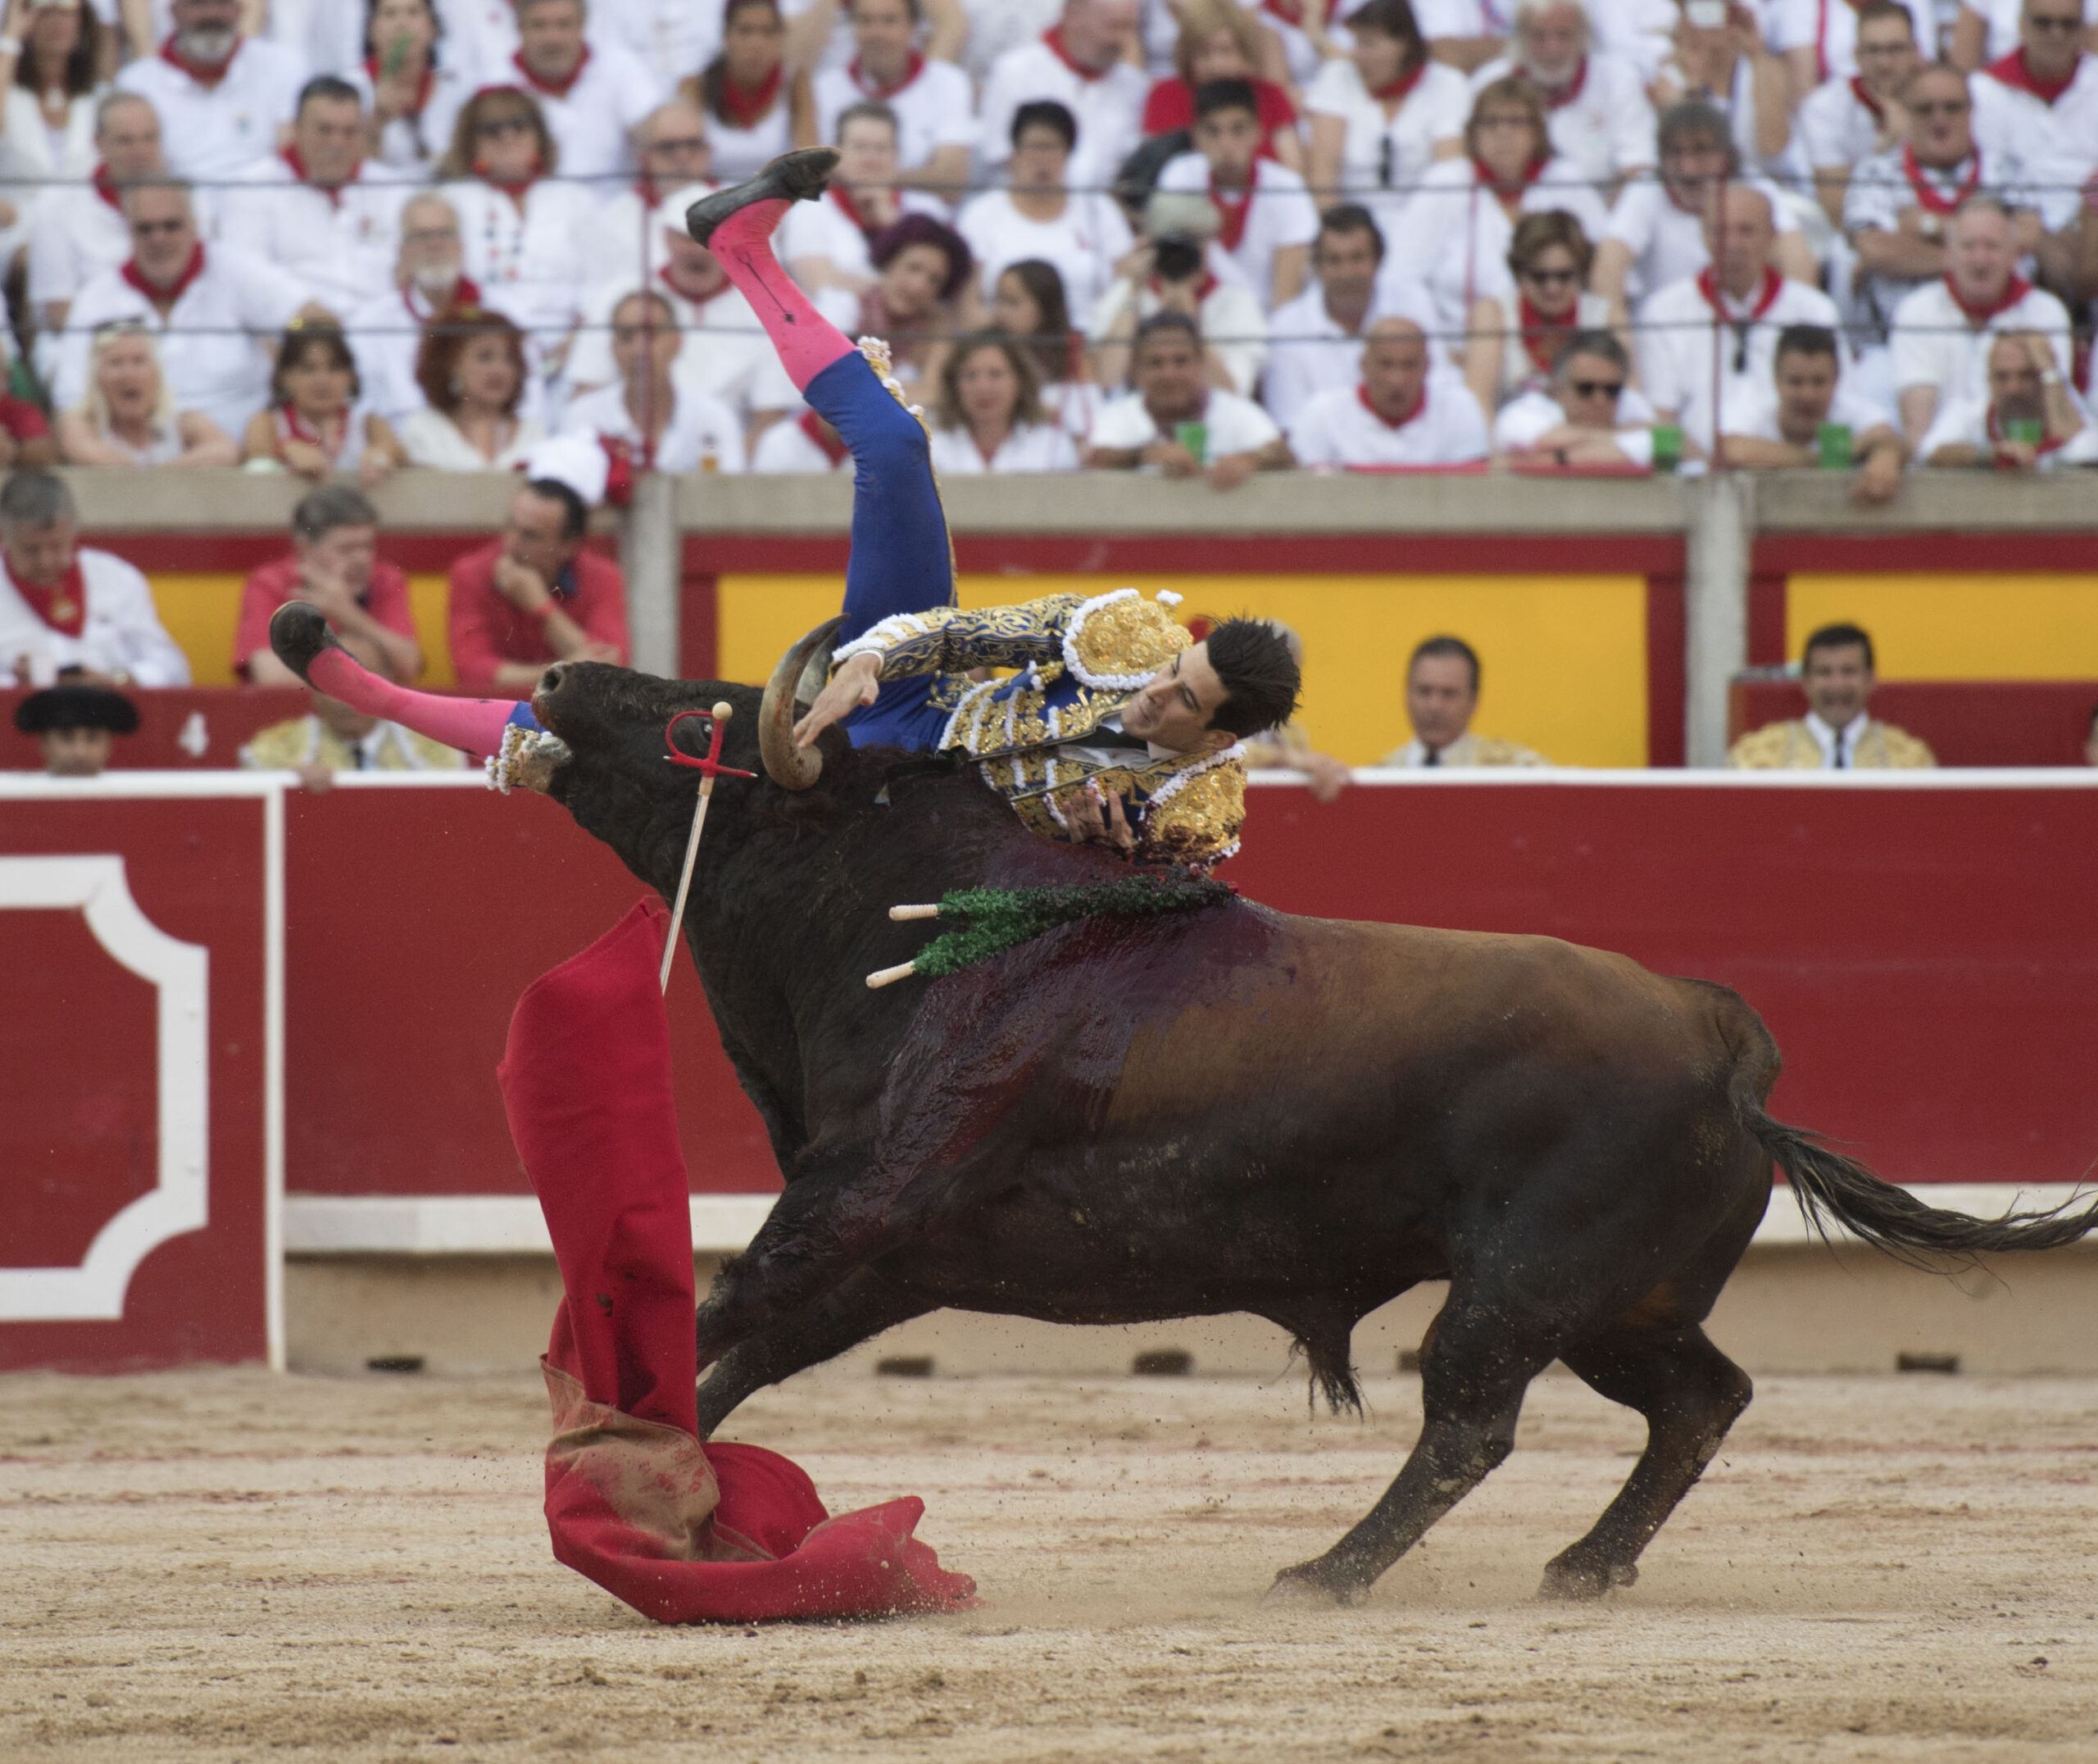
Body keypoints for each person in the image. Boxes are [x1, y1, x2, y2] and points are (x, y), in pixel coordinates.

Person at [689, 147, 1300, 867]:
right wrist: (877, 657)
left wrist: (1100, 865)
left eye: (1184, 702)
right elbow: (963, 636)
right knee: (892, 443)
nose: (1155, 691)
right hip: (910, 702)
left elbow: (1126, 959)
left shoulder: (1197, 815)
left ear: (1221, 741)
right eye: (1176, 669)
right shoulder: (1132, 634)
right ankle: (742, 248)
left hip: (924, 847)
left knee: (677, 739)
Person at [54, 179, 313, 445]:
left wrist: (286, 346)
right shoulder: (96, 299)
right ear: (127, 232)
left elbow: (311, 318)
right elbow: (71, 405)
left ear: (194, 227)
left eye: (171, 226)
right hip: (135, 467)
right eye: (145, 229)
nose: (159, 238)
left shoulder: (236, 270)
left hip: (245, 459)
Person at [1842, 62, 2048, 342]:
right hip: (1896, 342)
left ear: (1971, 111)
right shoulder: (1876, 171)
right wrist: (1981, 255)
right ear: (1908, 113)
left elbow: (2027, 236)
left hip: (2000, 341)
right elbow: (1876, 249)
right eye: (1926, 109)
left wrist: (1928, 226)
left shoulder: (2007, 169)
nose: (1939, 119)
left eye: (1952, 108)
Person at [1637, 184, 1844, 454]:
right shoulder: (1663, 311)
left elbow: (1838, 407)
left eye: (1746, 231)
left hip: (1794, 473)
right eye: (1720, 231)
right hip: (1697, 475)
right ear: (1703, 235)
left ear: (1772, 236)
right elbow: (1662, 421)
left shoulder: (1816, 310)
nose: (1732, 245)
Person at [1399, 78, 1610, 333]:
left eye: (1516, 122)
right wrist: (1438, 349)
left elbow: (1603, 274)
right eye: (1491, 123)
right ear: (1473, 133)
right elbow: (1403, 279)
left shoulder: (1567, 181)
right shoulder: (1445, 182)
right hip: (1454, 348)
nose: (1503, 133)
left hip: (1556, 347)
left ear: (1537, 132)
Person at [1593, 102, 1817, 311]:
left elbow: (1797, 259)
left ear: (1725, 155)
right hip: (1666, 330)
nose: (1687, 168)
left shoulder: (1753, 188)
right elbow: (1608, 264)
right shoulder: (1647, 189)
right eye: (1676, 153)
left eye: (1700, 151)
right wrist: (1615, 330)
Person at [1887, 195, 2072, 445]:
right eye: (1968, 246)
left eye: (1992, 246)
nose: (1980, 260)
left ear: (2013, 255)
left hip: (2029, 469)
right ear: (1948, 256)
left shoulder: (2047, 312)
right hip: (1942, 469)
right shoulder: (1916, 310)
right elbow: (1918, 432)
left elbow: (2060, 424)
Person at [220, 75, 412, 314]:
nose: (337, 143)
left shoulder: (394, 190)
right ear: (297, 130)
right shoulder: (251, 188)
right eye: (325, 130)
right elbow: (245, 282)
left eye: (349, 132)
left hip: (378, 336)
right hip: (296, 333)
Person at [435, 85, 597, 347]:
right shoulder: (450, 201)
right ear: (470, 142)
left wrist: (575, 346)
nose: (507, 136)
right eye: (491, 129)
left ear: (539, 136)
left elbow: (598, 284)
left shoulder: (576, 198)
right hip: (479, 347)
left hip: (573, 352)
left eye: (520, 125)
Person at [0, 470, 190, 689]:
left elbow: (173, 669)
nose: (46, 561)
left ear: (72, 529)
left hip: (110, 715)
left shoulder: (116, 578)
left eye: (56, 546)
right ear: (5, 536)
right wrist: (13, 684)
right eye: (31, 550)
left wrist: (117, 680)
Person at [956, 100, 1133, 328]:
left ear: (1069, 153)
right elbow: (968, 302)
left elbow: (1126, 284)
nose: (1043, 159)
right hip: (1005, 343)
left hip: (1089, 342)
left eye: (1052, 148)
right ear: (1015, 153)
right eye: (1035, 147)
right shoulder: (981, 214)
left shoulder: (1099, 210)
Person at [1303, 0, 1469, 236]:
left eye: (1369, 44)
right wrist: (1339, 234)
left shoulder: (1448, 84)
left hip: (1426, 228)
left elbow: (1448, 174)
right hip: (1349, 231)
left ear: (1404, 45)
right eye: (1356, 42)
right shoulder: (1337, 77)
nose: (1357, 55)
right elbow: (1323, 173)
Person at [1155, 77, 1319, 312]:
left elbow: (1286, 300)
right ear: (1196, 137)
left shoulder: (1287, 188)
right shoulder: (1180, 176)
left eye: (1238, 130)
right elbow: (1175, 277)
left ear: (1259, 132)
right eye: (1213, 132)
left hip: (1266, 323)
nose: (1226, 144)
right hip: (1197, 315)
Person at [447, 478, 629, 691]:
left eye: (530, 535)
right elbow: (472, 672)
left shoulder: (604, 577)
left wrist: (542, 607)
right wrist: (562, 672)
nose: (511, 543)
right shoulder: (471, 573)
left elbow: (609, 673)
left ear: (569, 546)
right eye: (511, 526)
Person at [234, 483, 423, 686]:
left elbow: (409, 666)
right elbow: (272, 678)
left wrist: (348, 614)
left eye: (368, 546)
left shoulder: (386, 579)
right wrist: (363, 667)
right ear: (304, 548)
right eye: (346, 549)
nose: (362, 559)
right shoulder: (270, 583)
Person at [1088, 189, 1268, 397]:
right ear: (1152, 246)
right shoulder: (1126, 295)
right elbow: (1107, 379)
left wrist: (1190, 323)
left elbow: (1232, 393)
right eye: (1172, 245)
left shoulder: (1236, 303)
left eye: (1193, 243)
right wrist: (1133, 295)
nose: (1180, 255)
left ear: (1209, 243)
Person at [1465, 0, 1655, 194]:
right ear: (1521, 37)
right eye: (1539, 36)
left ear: (1583, 36)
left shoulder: (1618, 79)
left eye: (1563, 35)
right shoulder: (1489, 81)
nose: (1552, 48)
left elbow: (1638, 167)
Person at [1088, 310, 1292, 487]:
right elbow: (1097, 458)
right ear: (1136, 371)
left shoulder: (1236, 411)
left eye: (1181, 361)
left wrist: (1251, 460)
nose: (1169, 374)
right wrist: (1146, 455)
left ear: (1200, 364)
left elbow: (1284, 456)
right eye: (1155, 363)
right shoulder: (1118, 415)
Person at [343, 193, 495, 428]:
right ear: (402, 250)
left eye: (444, 234)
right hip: (403, 459)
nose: (434, 245)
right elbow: (359, 413)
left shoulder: (503, 316)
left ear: (461, 246)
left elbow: (528, 409)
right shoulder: (369, 325)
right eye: (421, 236)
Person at [242, 628, 464, 788]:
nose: (347, 698)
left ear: (388, 686)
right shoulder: (275, 750)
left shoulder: (434, 748)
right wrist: (285, 784)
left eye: (362, 683)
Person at [1265, 204, 1421, 431]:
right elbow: (1291, 426)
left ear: (1378, 261)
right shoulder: (1287, 327)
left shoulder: (1413, 304)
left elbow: (1436, 391)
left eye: (1357, 258)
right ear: (1317, 268)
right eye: (1335, 261)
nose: (1347, 273)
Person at [28, 93, 166, 347]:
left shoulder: (185, 202)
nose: (141, 152)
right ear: (98, 144)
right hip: (83, 344)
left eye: (150, 138)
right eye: (126, 141)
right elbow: (59, 315)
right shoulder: (57, 205)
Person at [559, 289, 748, 474]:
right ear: (613, 348)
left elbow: (727, 494)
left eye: (652, 336)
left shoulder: (713, 419)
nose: (639, 351)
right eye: (626, 337)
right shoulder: (584, 418)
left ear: (677, 343)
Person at [978, 0, 1151, 201]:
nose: (1123, 40)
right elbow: (1001, 157)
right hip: (1029, 210)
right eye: (1114, 26)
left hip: (1109, 214)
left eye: (1130, 28)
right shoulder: (1015, 72)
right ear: (1073, 15)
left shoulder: (1135, 85)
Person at [114, 0, 304, 182]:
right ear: (173, 12)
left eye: (222, 2)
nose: (212, 15)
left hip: (267, 207)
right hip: (175, 208)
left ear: (239, 10)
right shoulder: (136, 83)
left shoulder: (283, 67)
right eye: (198, 3)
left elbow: (294, 157)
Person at [1718, 323, 1907, 502]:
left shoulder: (1855, 410)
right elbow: (1730, 450)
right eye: (1796, 382)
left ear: (1836, 381)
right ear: (1776, 381)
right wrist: (1827, 458)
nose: (1808, 395)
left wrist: (1886, 455)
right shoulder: (1754, 407)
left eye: (1818, 382)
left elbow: (1889, 439)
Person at [809, 0, 974, 198]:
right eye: (866, 20)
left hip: (919, 217)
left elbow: (950, 182)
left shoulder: (949, 82)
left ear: (912, 28)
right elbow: (811, 172)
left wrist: (876, 182)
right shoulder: (823, 88)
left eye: (889, 21)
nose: (877, 32)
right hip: (840, 218)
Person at [1462, 207, 1612, 414]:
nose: (1553, 288)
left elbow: (1631, 403)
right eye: (1539, 277)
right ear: (1518, 273)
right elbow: (1478, 402)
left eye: (1564, 276)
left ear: (1581, 273)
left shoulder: (1602, 316)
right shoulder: (1494, 313)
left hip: (1585, 441)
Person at [1289, 315, 1491, 467]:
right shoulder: (1321, 413)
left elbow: (1473, 495)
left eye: (1409, 365)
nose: (1397, 380)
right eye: (1386, 365)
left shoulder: (1460, 408)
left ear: (1427, 367)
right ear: (1363, 365)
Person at [1728, 620, 1935, 767]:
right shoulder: (1757, 756)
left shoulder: (1910, 760)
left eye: (1849, 671)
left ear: (1870, 680)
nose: (1837, 684)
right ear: (1806, 682)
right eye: (1824, 672)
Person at [507, 0, 665, 183]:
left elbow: (657, 132)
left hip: (618, 205)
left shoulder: (619, 67)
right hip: (533, 207)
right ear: (519, 28)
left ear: (583, 26)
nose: (552, 38)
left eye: (564, 24)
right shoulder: (494, 85)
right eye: (539, 25)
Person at [1798, 0, 1923, 229]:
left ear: (1915, 52)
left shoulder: (1941, 99)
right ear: (1857, 55)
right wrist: (1885, 147)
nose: (1884, 62)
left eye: (1895, 49)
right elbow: (1837, 213)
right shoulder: (1824, 107)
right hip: (1862, 238)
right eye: (1873, 50)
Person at [1141, 0, 1304, 172]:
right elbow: (1150, 168)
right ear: (1188, 55)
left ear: (1245, 52)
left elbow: (1293, 171)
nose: (1216, 65)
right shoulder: (1164, 96)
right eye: (1204, 53)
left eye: (1226, 51)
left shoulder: (1271, 97)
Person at [240, 321, 407, 483]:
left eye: (334, 368)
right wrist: (285, 449)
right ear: (285, 377)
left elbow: (396, 451)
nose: (322, 381)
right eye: (308, 369)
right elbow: (257, 451)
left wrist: (381, 455)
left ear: (351, 376)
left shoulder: (368, 423)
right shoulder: (268, 422)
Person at [1649, 0, 1798, 182]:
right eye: (1703, 12)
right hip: (1702, 189)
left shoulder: (1766, 68)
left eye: (1721, 11)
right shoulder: (1670, 80)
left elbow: (1772, 146)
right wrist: (1695, 83)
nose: (1714, 25)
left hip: (1764, 185)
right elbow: (1693, 153)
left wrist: (1757, 54)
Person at [576, 99, 716, 289]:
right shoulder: (610, 221)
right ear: (644, 156)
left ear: (708, 151)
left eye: (692, 144)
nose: (683, 156)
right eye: (669, 146)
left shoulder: (741, 212)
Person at [57, 321, 239, 466]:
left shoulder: (182, 422)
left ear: (157, 373)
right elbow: (86, 452)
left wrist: (159, 476)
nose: (128, 374)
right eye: (116, 362)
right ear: (97, 376)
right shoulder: (81, 422)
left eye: (139, 361)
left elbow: (225, 450)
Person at [1918, 327, 2098, 467]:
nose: (2014, 389)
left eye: (2026, 376)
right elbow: (1927, 452)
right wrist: (1990, 454)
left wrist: (2051, 371)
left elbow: (2086, 450)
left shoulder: (2071, 415)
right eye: (2002, 377)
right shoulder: (1970, 413)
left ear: (2042, 378)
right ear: (1989, 380)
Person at [398, 304, 547, 469]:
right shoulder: (424, 429)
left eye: (510, 359)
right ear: (452, 365)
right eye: (485, 357)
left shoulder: (533, 434)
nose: (499, 370)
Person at [1492, 328, 1661, 465]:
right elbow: (1540, 442)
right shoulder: (1528, 407)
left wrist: (1560, 458)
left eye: (1611, 390)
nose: (1600, 400)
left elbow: (1675, 445)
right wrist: (1622, 437)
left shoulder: (1629, 402)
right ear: (1558, 390)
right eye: (1586, 389)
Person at [684, 0, 808, 185]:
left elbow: (810, 163)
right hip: (710, 204)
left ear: (780, 38)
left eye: (767, 32)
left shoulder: (793, 83)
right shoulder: (696, 87)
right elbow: (684, 165)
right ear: (726, 36)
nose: (756, 43)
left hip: (777, 204)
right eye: (745, 31)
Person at [0, 0, 101, 224]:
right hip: (15, 231)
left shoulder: (97, 99)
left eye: (67, 11)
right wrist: (10, 38)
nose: (57, 21)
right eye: (44, 12)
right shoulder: (9, 96)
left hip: (84, 232)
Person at [346, 0, 473, 177]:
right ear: (370, 29)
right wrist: (378, 122)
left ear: (433, 28)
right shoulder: (350, 89)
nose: (402, 24)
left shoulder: (456, 93)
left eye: (413, 12)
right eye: (390, 14)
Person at [1974, 0, 2098, 180]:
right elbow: (1990, 178)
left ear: (2084, 29)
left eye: (2068, 24)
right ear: (2021, 24)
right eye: (2043, 23)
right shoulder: (1984, 90)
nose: (2057, 34)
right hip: (2012, 205)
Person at [1380, 633, 1546, 765]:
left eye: (1449, 694)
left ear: (1473, 701)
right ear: (1407, 694)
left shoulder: (1514, 770)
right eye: (1424, 692)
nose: (1435, 706)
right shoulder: (1380, 776)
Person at [926, 331, 1082, 472]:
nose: (983, 387)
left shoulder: (1052, 445)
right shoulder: (933, 446)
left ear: (1020, 380)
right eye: (970, 375)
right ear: (954, 383)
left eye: (995, 374)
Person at [1239, 620, 1352, 801]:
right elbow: (1217, 753)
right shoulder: (1212, 718)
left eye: (1291, 673)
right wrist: (1284, 757)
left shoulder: (1294, 734)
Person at [989, 258, 1097, 437]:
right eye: (998, 301)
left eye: (1012, 302)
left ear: (1044, 307)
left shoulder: (1075, 356)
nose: (1000, 313)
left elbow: (1089, 424)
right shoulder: (985, 351)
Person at [12, 681, 138, 777]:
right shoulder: (14, 798)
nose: (80, 753)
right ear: (43, 743)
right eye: (66, 738)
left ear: (109, 744)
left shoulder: (134, 796)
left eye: (92, 738)